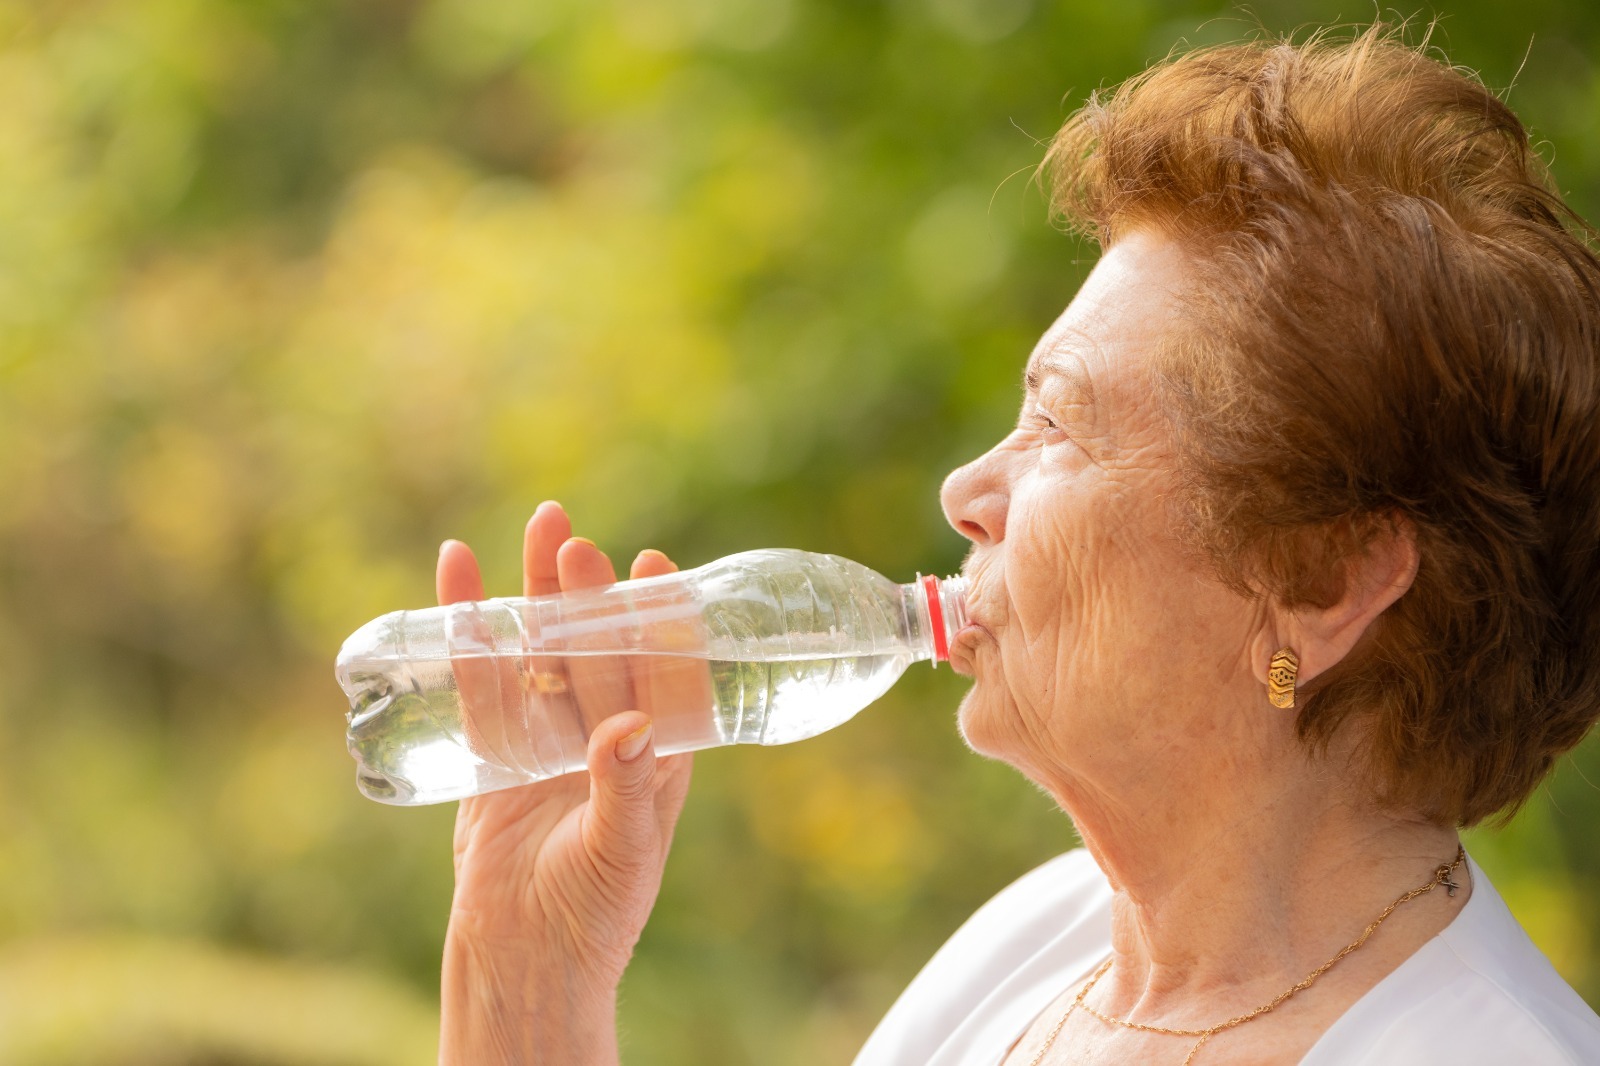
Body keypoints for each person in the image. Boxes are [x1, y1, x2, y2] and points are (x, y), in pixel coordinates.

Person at [431, 27, 1600, 1065]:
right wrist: (525, 979)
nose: (965, 489)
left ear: (1319, 581)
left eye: (1057, 421)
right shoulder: (1038, 944)